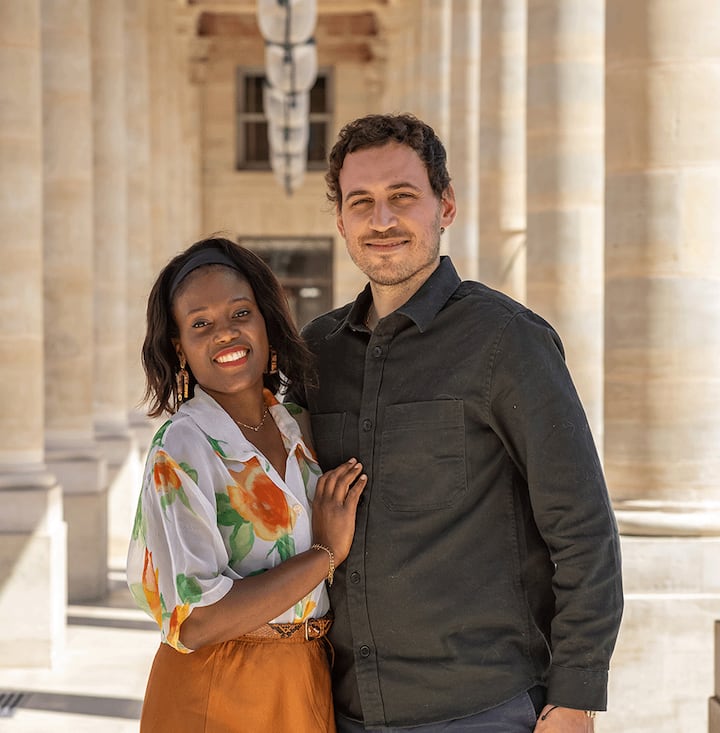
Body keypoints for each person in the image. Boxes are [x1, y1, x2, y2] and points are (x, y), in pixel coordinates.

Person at [289, 114, 624, 733]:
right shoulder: (317, 352)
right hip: (340, 709)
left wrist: (575, 698)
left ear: (445, 205)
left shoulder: (508, 341)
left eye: (402, 197)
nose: (381, 220)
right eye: (361, 202)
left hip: (482, 710)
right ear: (340, 222)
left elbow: (582, 529)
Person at [126, 236, 367, 732]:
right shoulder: (184, 447)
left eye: (240, 314)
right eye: (200, 324)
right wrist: (325, 553)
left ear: (266, 324)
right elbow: (197, 622)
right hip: (218, 689)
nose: (224, 334)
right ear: (180, 347)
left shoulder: (299, 427)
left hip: (307, 680)